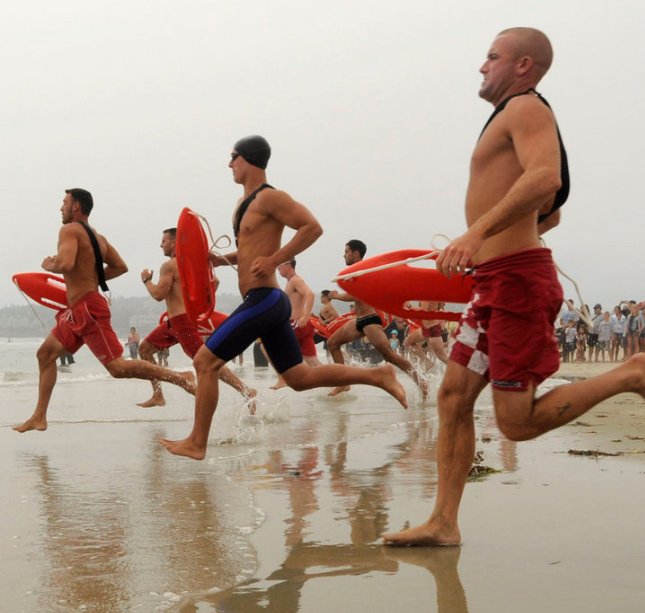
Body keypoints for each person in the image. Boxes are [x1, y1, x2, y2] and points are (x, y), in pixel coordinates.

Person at [383, 27, 645, 546]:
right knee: (452, 398)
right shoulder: (507, 118)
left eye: (491, 57)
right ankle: (444, 522)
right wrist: (489, 242)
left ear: (523, 65)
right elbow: (552, 212)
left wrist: (477, 233)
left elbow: (545, 178)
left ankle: (631, 374)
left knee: (515, 423)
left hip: (516, 283)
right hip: (495, 282)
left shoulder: (527, 108)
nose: (481, 66)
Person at [161, 136, 406, 460]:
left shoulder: (270, 198)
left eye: (232, 157)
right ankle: (377, 375)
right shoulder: (242, 206)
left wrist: (275, 259)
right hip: (267, 301)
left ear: (247, 160)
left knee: (205, 361)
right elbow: (251, 251)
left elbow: (312, 227)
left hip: (264, 298)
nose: (229, 164)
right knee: (299, 378)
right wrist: (223, 259)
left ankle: (197, 442)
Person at [13, 189, 196, 434]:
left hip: (88, 308)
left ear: (76, 206)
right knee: (45, 355)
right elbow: (120, 267)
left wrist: (51, 264)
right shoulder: (99, 239)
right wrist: (90, 277)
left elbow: (65, 263)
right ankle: (39, 416)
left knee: (118, 368)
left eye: (64, 203)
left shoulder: (68, 230)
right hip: (77, 309)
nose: (61, 207)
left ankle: (181, 377)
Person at [136, 227, 256, 409]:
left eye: (164, 241)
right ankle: (158, 394)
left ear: (174, 242)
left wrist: (147, 281)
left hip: (181, 321)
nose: (161, 245)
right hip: (173, 322)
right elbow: (214, 284)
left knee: (206, 361)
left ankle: (245, 389)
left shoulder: (168, 266)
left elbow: (159, 294)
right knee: (144, 349)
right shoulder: (191, 264)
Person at [325, 240, 428, 397]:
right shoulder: (355, 271)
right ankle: (344, 383)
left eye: (346, 251)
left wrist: (336, 296)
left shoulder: (364, 270)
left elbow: (357, 295)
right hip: (358, 320)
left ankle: (421, 382)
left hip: (370, 320)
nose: (344, 254)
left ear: (356, 253)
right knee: (332, 344)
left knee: (389, 356)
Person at [270, 258, 320, 389]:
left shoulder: (295, 280)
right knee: (313, 362)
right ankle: (339, 382)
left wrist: (306, 315)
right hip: (303, 325)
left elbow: (310, 294)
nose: (277, 269)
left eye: (279, 265)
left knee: (266, 345)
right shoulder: (291, 281)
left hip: (297, 324)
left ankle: (282, 378)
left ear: (288, 265)